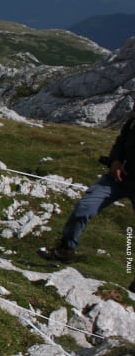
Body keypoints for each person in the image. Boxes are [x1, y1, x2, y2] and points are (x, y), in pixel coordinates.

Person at [42, 107, 135, 280]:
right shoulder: (131, 124)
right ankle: (66, 249)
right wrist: (115, 160)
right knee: (84, 207)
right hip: (117, 178)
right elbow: (121, 143)